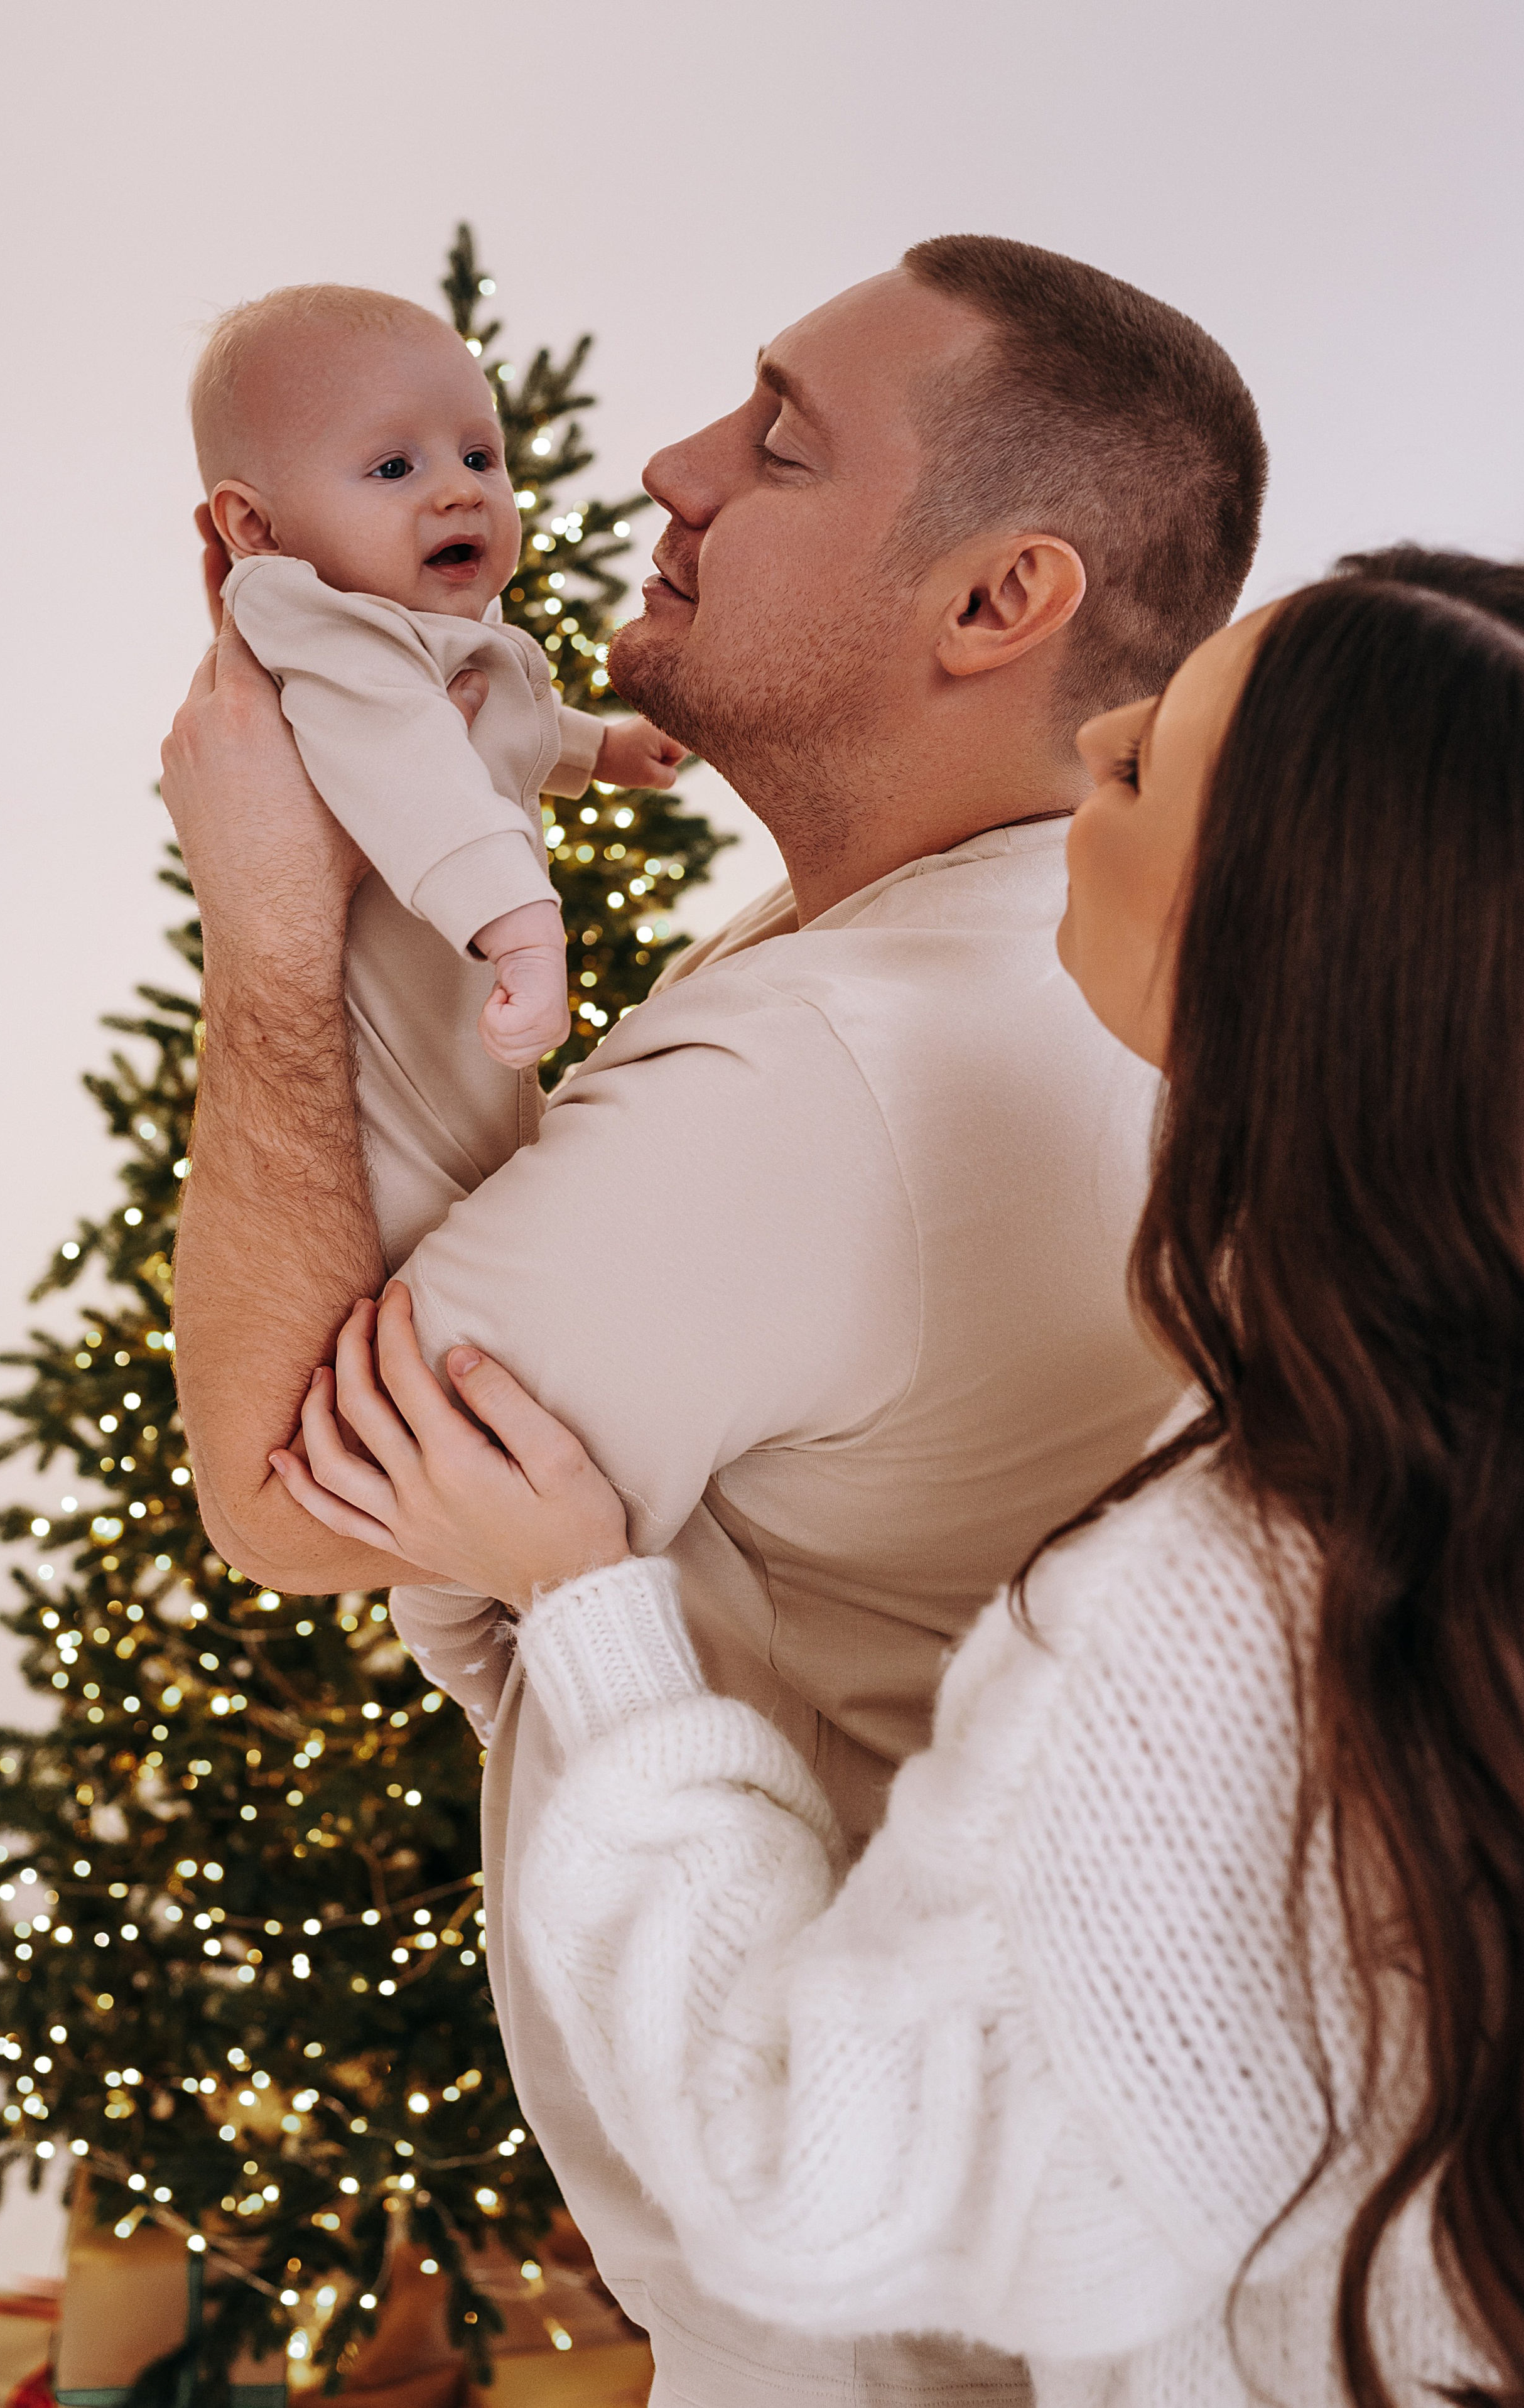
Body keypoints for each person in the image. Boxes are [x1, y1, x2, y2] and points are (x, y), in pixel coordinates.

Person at [161, 235, 1266, 2408]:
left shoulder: (819, 1075)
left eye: (775, 441)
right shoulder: (1055, 955)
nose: (664, 463)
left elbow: (289, 1499)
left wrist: (277, 924)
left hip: (861, 2335)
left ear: (996, 602)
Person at [274, 549, 1524, 2405]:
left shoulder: (1219, 1599)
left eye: (1142, 767)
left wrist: (590, 1615)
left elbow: (816, 2172)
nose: (1095, 729)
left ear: (1273, 944)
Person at [189, 283, 682, 1264]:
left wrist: (599, 750)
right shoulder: (319, 628)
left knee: (498, 1218)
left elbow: (489, 719)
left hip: (452, 1033)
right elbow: (410, 762)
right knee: (427, 1254)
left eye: (478, 455)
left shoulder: (414, 633)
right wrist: (526, 932)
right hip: (381, 1075)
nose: (459, 491)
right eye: (392, 466)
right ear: (256, 527)